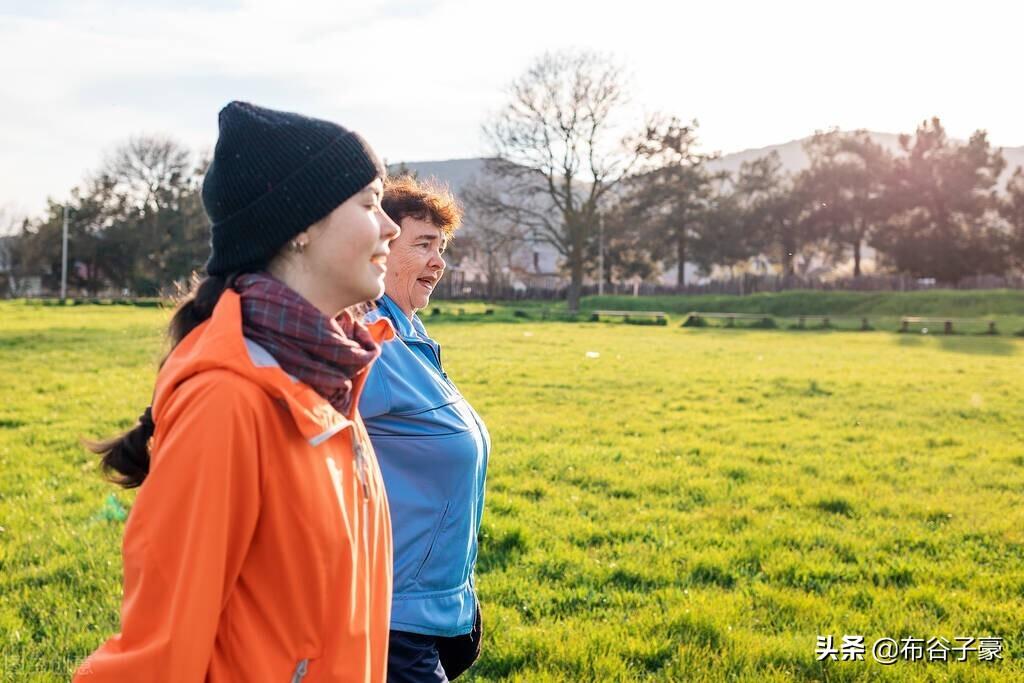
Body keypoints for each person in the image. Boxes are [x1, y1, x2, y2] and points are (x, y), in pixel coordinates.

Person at [74, 101, 401, 683]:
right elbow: (157, 654)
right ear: (300, 225)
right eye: (369, 203)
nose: (391, 227)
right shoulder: (228, 400)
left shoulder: (327, 375)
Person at [359, 177, 490, 682]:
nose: (440, 262)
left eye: (442, 247)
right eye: (423, 245)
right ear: (376, 248)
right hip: (390, 616)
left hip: (433, 606)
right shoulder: (366, 339)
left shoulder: (409, 335)